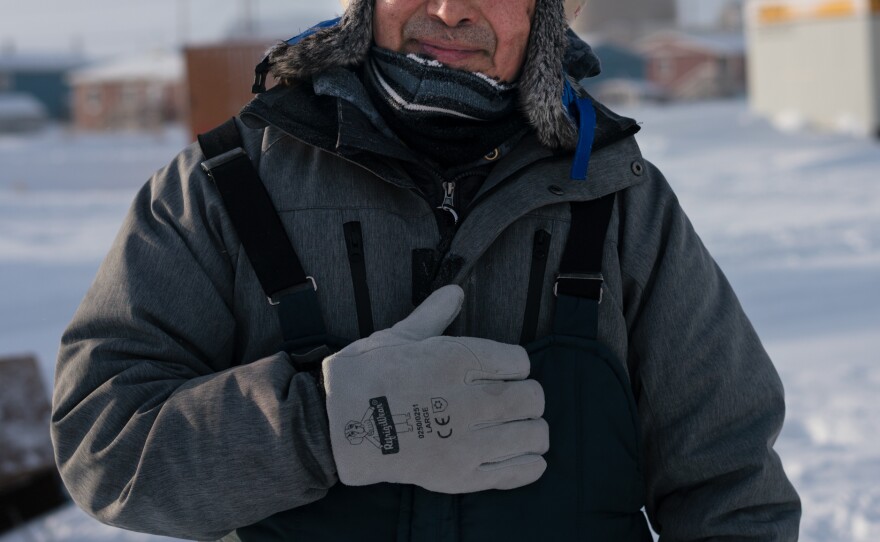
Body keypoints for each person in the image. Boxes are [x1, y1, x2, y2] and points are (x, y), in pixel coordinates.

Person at [51, 0, 801, 540]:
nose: (447, 11)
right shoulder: (219, 187)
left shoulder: (618, 201)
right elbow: (104, 445)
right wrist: (324, 426)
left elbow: (731, 486)